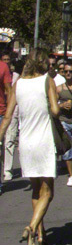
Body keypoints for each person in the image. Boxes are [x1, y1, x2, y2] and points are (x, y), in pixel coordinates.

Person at [0, 51, 60, 245]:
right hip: (44, 140)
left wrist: (0, 136)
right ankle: (32, 227)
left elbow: (8, 116)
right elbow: (54, 110)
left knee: (36, 190)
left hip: (25, 142)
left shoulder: (19, 84)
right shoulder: (47, 81)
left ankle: (41, 237)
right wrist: (60, 105)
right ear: (44, 63)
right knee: (48, 192)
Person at [0, 50, 16, 184]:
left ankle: (5, 173)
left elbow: (9, 91)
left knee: (4, 145)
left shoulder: (3, 67)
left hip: (0, 112)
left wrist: (9, 113)